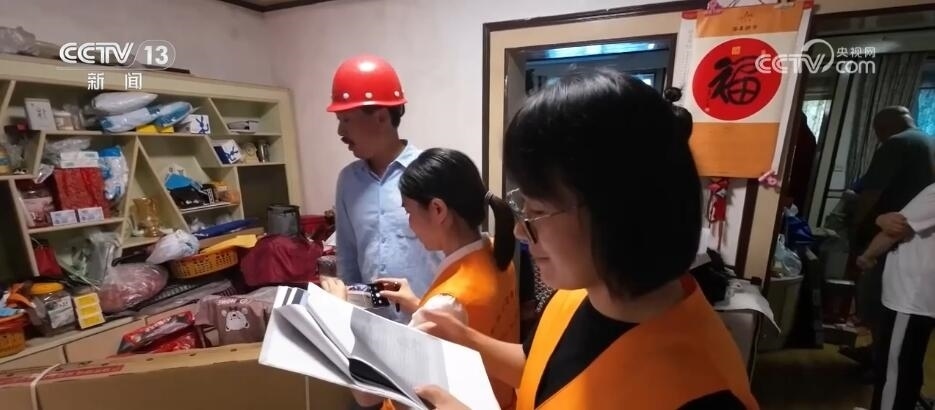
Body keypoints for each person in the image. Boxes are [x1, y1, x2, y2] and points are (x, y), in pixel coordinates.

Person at [412, 68, 758, 410]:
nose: (519, 230)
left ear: (617, 211)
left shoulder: (701, 395)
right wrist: (464, 338)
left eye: (538, 210)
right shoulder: (579, 292)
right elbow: (542, 369)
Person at [323, 147, 520, 410]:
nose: (409, 223)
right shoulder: (496, 252)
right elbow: (468, 323)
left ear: (438, 210)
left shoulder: (446, 302)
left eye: (409, 212)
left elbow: (367, 395)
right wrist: (418, 304)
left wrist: (337, 313)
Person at [328, 54, 442, 322]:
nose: (340, 131)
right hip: (373, 324)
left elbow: (455, 256)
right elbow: (348, 260)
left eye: (346, 119)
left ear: (381, 117)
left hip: (428, 324)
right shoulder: (348, 181)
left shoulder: (432, 174)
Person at [850, 106, 934, 368]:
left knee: (879, 297)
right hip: (922, 242)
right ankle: (881, 355)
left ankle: (878, 358)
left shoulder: (896, 144)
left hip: (894, 234)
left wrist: (860, 229)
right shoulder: (928, 141)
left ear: (882, 128)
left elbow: (871, 193)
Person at [856, 182, 935, 410]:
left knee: (894, 371)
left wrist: (866, 256)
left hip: (910, 299)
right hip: (914, 298)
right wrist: (881, 218)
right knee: (906, 367)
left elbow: (895, 228)